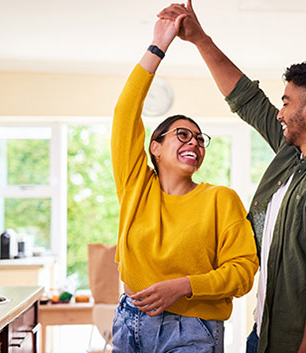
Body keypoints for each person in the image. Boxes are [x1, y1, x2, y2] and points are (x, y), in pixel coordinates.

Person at [159, 2, 306, 353]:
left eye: (286, 102)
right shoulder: (295, 153)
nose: (280, 112)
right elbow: (247, 99)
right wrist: (200, 39)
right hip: (264, 334)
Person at [110, 14, 259, 353]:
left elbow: (243, 272)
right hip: (129, 321)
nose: (194, 142)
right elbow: (124, 114)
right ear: (155, 147)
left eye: (199, 138)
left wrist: (183, 286)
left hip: (192, 330)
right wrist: (158, 45)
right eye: (182, 135)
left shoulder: (220, 199)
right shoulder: (136, 187)